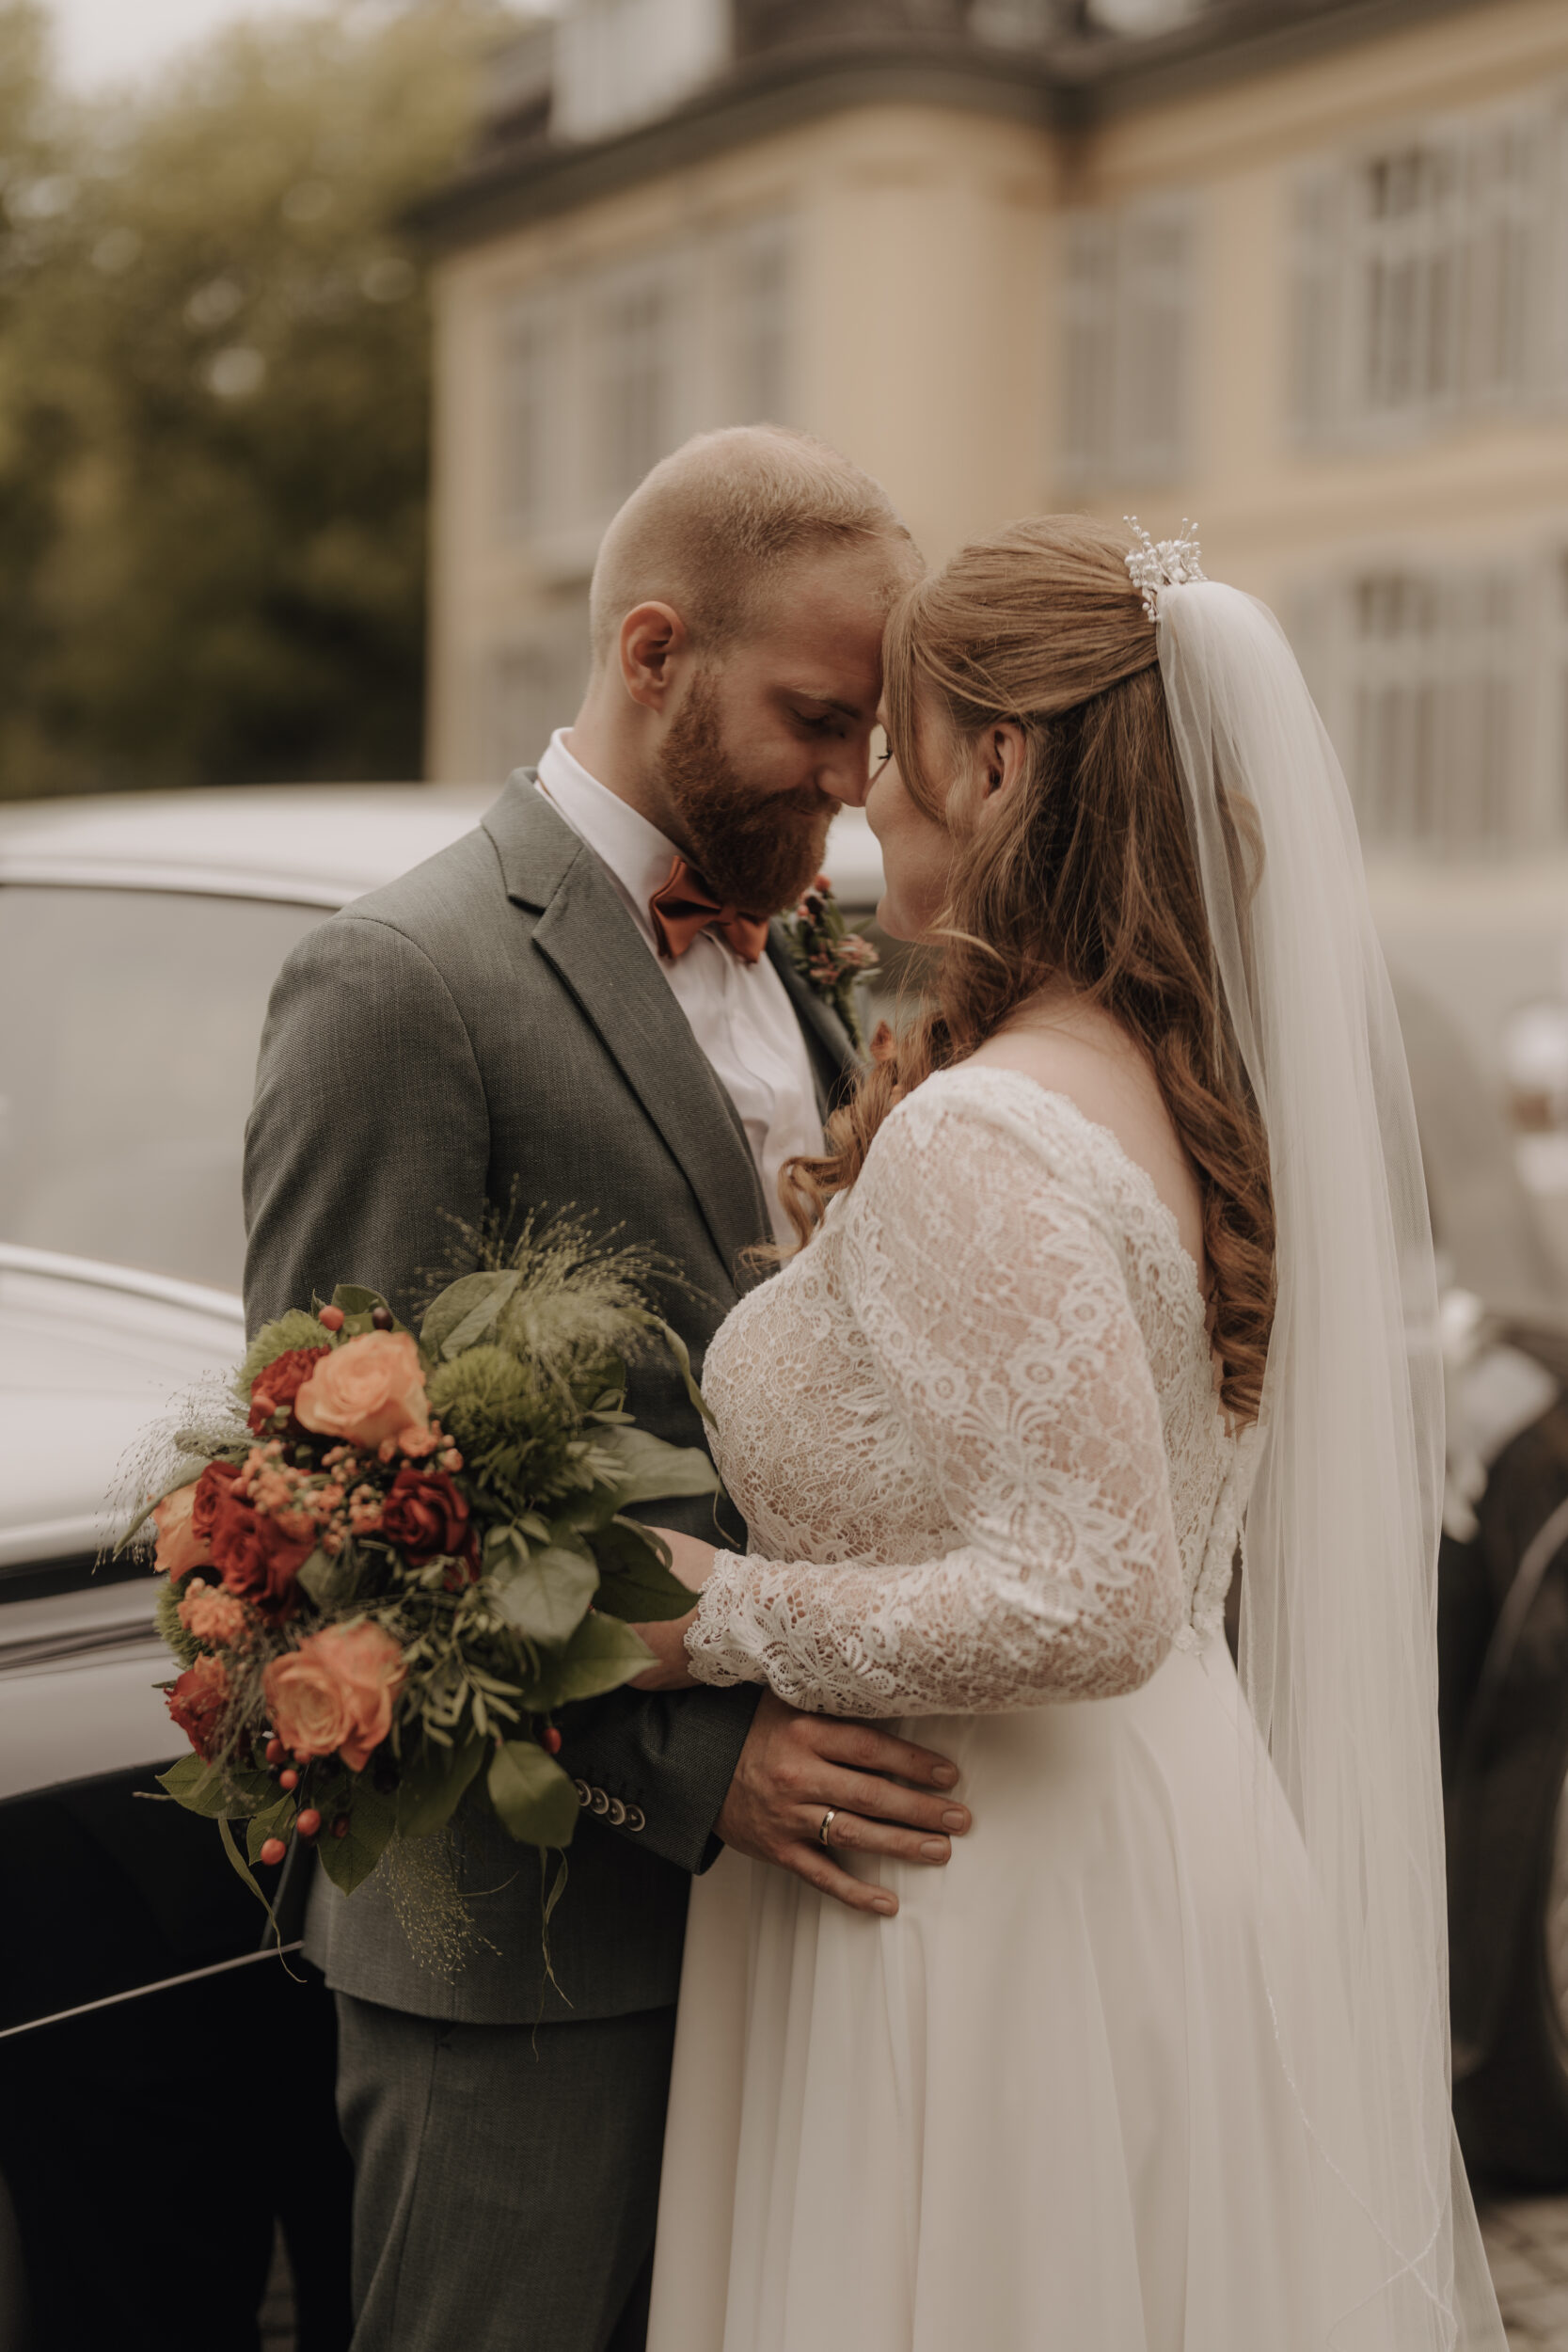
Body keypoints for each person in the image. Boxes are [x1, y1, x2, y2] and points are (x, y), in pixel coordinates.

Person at [633, 516, 1509, 2350]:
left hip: (981, 1883)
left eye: (898, 730)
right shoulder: (1169, 1085)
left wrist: (705, 1610)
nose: (866, 776)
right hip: (1146, 1835)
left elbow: (1088, 1590)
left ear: (1005, 759)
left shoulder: (989, 1131)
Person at [243, 424, 965, 2352]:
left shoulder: (815, 953)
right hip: (528, 1938)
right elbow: (336, 1508)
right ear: (654, 653)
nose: (852, 783)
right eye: (819, 721)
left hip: (780, 1925)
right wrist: (701, 1771)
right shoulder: (397, 979)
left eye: (871, 737)